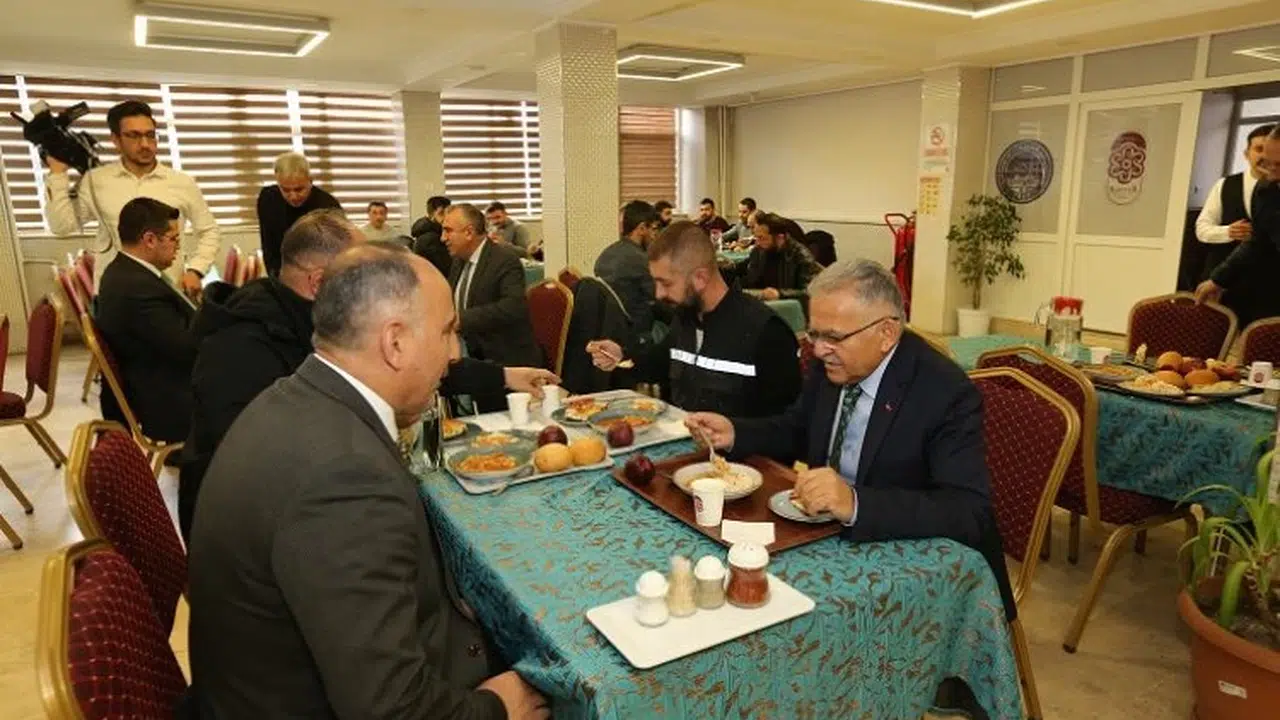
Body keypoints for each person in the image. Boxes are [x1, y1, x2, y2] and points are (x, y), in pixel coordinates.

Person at [187, 243, 550, 720]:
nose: (453, 353)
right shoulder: (345, 478)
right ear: (394, 342)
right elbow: (389, 708)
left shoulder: (293, 397)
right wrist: (498, 707)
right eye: (447, 332)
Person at [179, 211, 559, 541]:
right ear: (319, 283)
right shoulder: (241, 347)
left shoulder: (306, 318)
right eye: (361, 272)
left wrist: (502, 375)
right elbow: (267, 483)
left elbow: (409, 362)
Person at [685, 259, 1015, 620]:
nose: (819, 349)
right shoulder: (834, 365)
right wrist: (735, 432)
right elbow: (798, 429)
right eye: (814, 334)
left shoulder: (944, 392)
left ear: (886, 333)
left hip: (918, 578)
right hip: (824, 540)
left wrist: (856, 503)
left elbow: (967, 510)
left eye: (834, 337)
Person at [587, 221, 801, 417]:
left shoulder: (766, 331)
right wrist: (620, 354)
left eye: (666, 283)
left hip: (735, 447)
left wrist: (734, 433)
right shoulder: (686, 317)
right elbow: (660, 363)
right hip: (683, 437)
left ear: (700, 277)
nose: (658, 294)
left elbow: (786, 427)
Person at [44, 99, 219, 297]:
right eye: (134, 136)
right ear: (116, 140)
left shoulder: (181, 182)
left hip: (167, 292)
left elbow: (209, 231)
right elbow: (61, 226)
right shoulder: (96, 180)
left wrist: (196, 270)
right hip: (114, 294)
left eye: (150, 135)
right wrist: (57, 173)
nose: (145, 144)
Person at [95, 197, 196, 443]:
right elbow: (186, 348)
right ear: (150, 240)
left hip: (157, 380)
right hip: (169, 401)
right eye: (174, 239)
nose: (178, 247)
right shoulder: (137, 286)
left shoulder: (125, 272)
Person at [444, 203, 543, 411]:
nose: (443, 238)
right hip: (470, 359)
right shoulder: (458, 261)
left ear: (469, 232)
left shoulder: (504, 260)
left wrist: (463, 320)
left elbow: (513, 307)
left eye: (448, 230)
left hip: (503, 358)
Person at [1197, 124, 1280, 326]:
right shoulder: (1267, 188)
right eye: (1269, 163)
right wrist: (1218, 279)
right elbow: (1258, 241)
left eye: (1279, 165)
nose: (1272, 173)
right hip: (1250, 287)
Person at [256, 152, 342, 276]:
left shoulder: (328, 206)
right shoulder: (267, 199)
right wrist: (276, 279)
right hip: (281, 271)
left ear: (310, 180)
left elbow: (336, 253)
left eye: (299, 189)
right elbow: (269, 246)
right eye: (285, 190)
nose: (293, 196)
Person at [595, 200, 662, 345]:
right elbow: (659, 297)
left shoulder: (605, 254)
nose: (655, 235)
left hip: (609, 331)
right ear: (642, 228)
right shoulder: (641, 260)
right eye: (654, 229)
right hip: (638, 334)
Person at [732, 212, 823, 301]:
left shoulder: (801, 256)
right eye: (757, 237)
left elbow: (810, 292)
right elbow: (747, 275)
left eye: (762, 238)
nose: (757, 243)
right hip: (761, 302)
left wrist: (780, 294)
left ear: (780, 238)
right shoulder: (759, 251)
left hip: (787, 305)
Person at [411, 195, 453, 274]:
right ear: (432, 214)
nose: (446, 217)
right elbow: (447, 269)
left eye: (448, 213)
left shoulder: (424, 232)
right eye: (442, 213)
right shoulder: (431, 239)